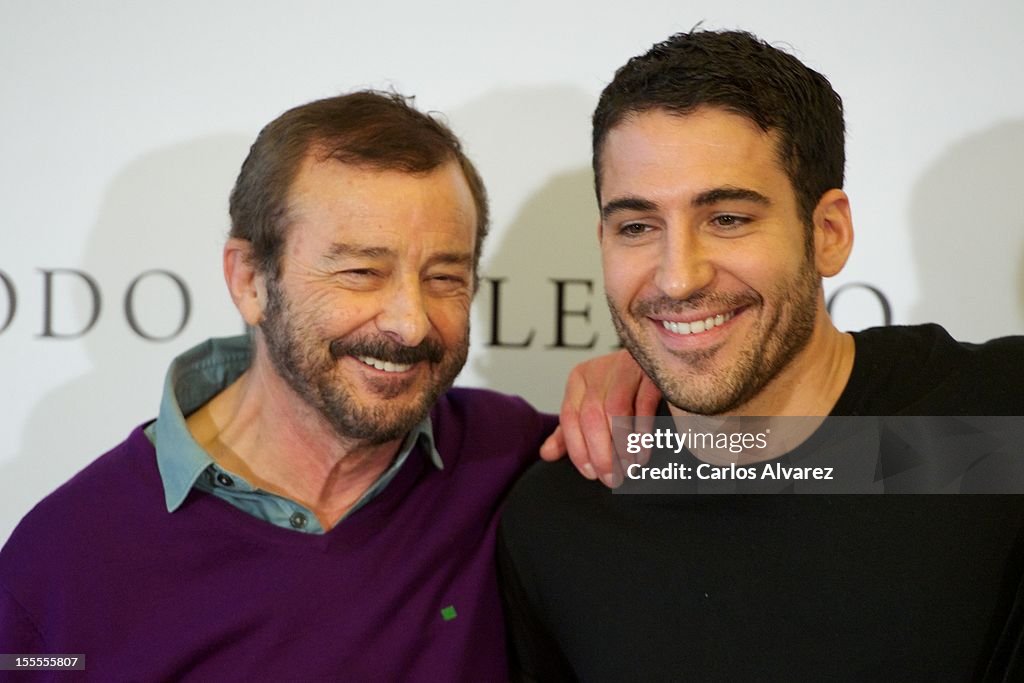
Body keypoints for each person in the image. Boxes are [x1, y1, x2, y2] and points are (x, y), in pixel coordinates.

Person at [499, 30, 1024, 682]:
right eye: (637, 226)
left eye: (728, 218)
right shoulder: (561, 521)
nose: (677, 277)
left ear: (827, 232)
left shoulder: (997, 420)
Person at [0, 91, 566, 681]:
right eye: (361, 272)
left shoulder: (514, 453)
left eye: (445, 277)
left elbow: (670, 470)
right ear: (250, 281)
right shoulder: (61, 559)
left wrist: (644, 380)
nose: (410, 321)